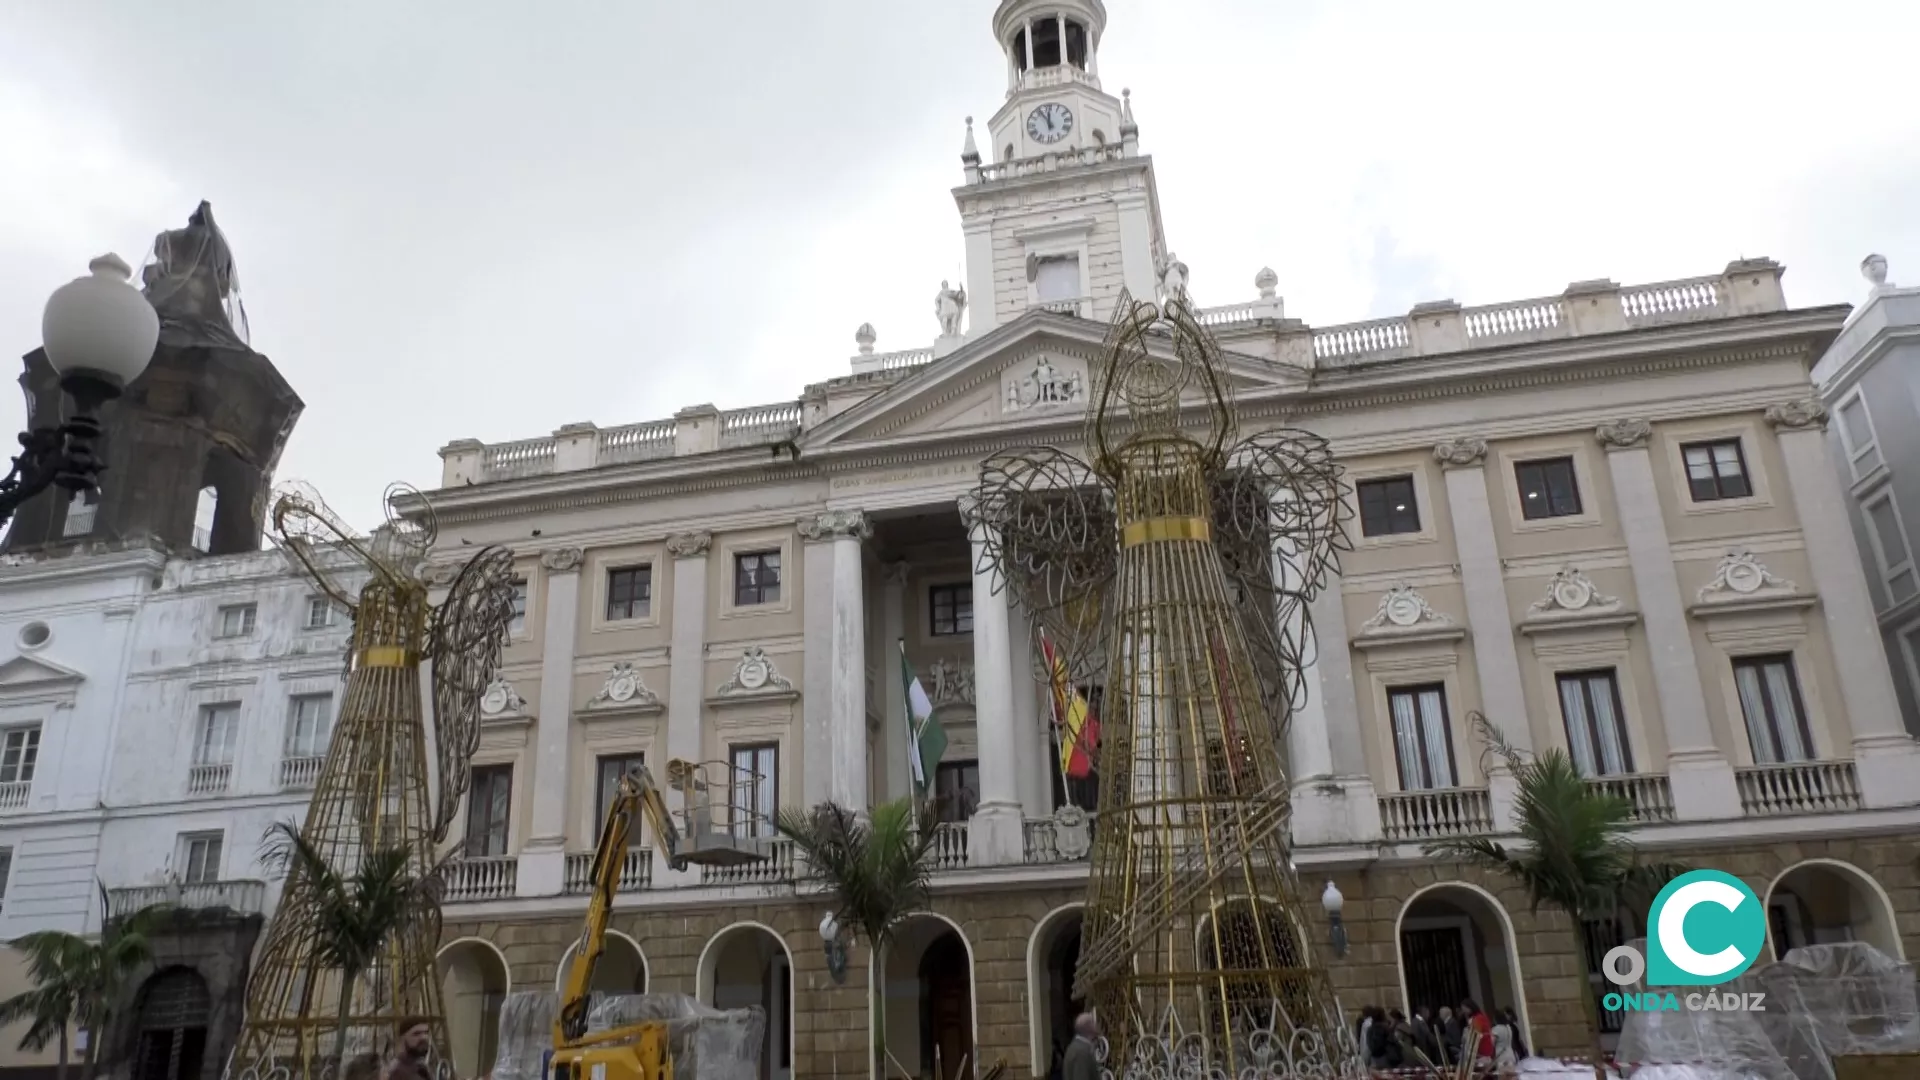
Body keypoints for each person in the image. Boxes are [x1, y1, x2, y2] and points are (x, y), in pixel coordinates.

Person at [1061, 1012, 1101, 1080]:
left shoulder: (1074, 1047)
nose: (1097, 1025)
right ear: (1089, 1027)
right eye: (1094, 1023)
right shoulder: (1081, 1052)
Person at [1460, 1000, 1494, 1075]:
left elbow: (1474, 1036)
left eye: (1464, 1008)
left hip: (1481, 1053)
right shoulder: (1480, 1017)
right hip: (1483, 1052)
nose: (1463, 1011)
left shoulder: (1478, 1019)